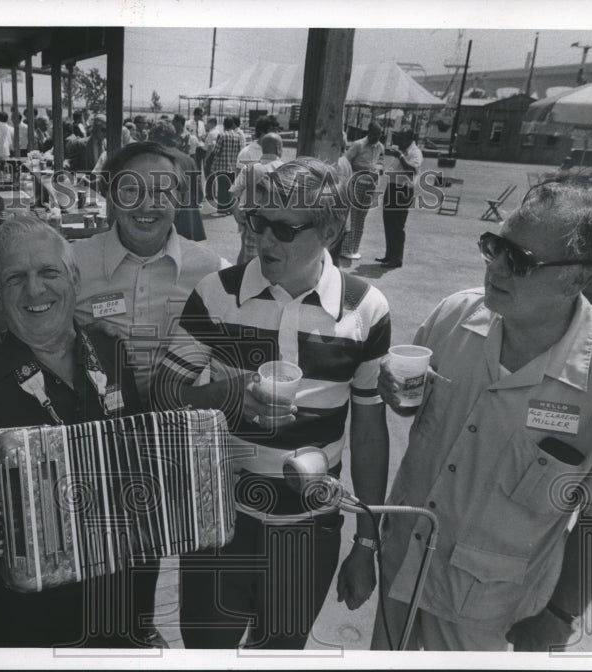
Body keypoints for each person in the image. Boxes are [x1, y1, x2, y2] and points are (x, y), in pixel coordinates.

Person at [371, 181, 592, 651]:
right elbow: (419, 412)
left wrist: (560, 615)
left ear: (577, 278)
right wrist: (399, 392)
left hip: (488, 612)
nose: (496, 267)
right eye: (495, 246)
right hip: (401, 568)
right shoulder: (452, 317)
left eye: (521, 260)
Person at [154, 157, 391, 649]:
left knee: (280, 654)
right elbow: (163, 394)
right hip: (220, 526)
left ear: (330, 228)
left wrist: (366, 543)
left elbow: (370, 433)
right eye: (255, 221)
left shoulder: (366, 307)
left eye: (283, 228)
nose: (262, 239)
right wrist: (226, 396)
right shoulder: (218, 292)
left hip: (308, 533)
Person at [0, 218, 162, 648]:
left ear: (73, 279)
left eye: (48, 272)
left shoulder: (112, 351)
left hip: (122, 597)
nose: (35, 290)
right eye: (15, 278)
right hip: (26, 616)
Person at [74, 141, 228, 409]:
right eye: (131, 191)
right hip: (93, 423)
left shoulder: (212, 271)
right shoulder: (71, 262)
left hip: (178, 424)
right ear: (110, 197)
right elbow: (6, 318)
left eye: (161, 192)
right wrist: (72, 338)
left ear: (179, 201)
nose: (146, 206)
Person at [230, 132, 284, 265]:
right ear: (278, 148)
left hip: (252, 222)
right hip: (278, 226)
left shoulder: (250, 168)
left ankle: (241, 280)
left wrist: (236, 212)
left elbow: (233, 193)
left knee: (247, 256)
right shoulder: (285, 170)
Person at [376, 128, 423, 268]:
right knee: (388, 222)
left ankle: (397, 258)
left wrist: (401, 157)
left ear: (409, 139)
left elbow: (412, 170)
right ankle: (389, 255)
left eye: (401, 139)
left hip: (403, 190)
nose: (398, 142)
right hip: (392, 188)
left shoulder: (415, 153)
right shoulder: (401, 151)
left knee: (397, 225)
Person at [340, 122, 385, 261]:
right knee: (352, 217)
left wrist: (378, 170)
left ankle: (354, 248)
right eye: (374, 134)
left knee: (361, 219)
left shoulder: (380, 147)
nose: (377, 137)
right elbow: (346, 160)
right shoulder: (358, 145)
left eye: (379, 135)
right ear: (368, 132)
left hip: (370, 185)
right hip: (356, 183)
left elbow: (381, 163)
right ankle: (346, 249)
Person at [206, 116, 245, 215]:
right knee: (230, 188)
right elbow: (240, 151)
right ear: (232, 125)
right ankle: (230, 209)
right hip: (232, 166)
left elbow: (216, 151)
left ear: (224, 125)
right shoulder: (237, 136)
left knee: (222, 189)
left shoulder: (222, 135)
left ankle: (222, 209)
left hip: (222, 166)